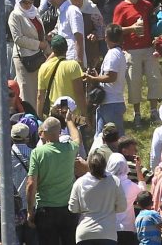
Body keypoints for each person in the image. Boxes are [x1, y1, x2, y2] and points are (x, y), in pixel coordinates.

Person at [113, 0, 162, 127]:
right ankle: (137, 114)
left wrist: (157, 39)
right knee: (134, 82)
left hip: (148, 48)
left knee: (154, 78)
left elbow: (154, 25)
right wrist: (132, 29)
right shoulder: (121, 8)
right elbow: (115, 30)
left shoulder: (147, 5)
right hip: (131, 50)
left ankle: (154, 111)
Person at [27, 113, 82, 245]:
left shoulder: (37, 152)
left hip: (45, 210)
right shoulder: (70, 149)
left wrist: (30, 211)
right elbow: (77, 138)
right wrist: (69, 121)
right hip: (68, 209)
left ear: (44, 132)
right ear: (59, 132)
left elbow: (31, 184)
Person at [67, 150, 126, 245]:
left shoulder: (79, 182)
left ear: (89, 165)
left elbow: (72, 208)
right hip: (107, 233)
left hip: (84, 233)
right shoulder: (114, 181)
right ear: (105, 165)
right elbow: (122, 207)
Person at [84, 23, 128, 136]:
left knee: (116, 138)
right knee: (99, 137)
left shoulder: (113, 54)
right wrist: (97, 75)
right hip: (108, 103)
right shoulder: (117, 53)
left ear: (106, 37)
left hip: (111, 104)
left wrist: (93, 78)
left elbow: (111, 77)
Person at [9, 0, 48, 108]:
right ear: (19, 1)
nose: (28, 5)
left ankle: (38, 114)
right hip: (24, 58)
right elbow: (18, 39)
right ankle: (29, 117)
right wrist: (38, 44)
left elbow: (40, 31)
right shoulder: (15, 15)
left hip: (38, 56)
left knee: (38, 89)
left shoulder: (34, 11)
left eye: (31, 1)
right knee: (26, 90)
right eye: (25, 2)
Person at [37, 35, 86, 117]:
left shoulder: (43, 67)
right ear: (67, 48)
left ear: (52, 49)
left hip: (54, 116)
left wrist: (39, 117)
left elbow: (40, 96)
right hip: (72, 116)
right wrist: (85, 116)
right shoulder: (73, 65)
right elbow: (79, 93)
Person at [107, 153, 142, 245]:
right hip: (127, 229)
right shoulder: (131, 186)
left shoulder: (104, 185)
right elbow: (143, 192)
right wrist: (138, 168)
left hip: (108, 229)